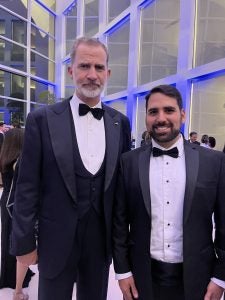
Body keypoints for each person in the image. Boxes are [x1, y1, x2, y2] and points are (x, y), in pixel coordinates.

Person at [11, 37, 131, 300]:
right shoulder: (41, 120)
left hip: (100, 245)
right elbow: (27, 186)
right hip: (54, 241)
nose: (92, 75)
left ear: (108, 73)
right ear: (71, 70)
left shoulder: (120, 123)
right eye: (84, 66)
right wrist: (24, 243)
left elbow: (121, 191)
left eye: (99, 68)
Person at [113, 85, 225, 300]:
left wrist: (220, 276)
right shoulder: (128, 162)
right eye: (153, 112)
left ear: (182, 114)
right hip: (142, 276)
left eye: (169, 110)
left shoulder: (214, 161)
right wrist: (123, 271)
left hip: (199, 278)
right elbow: (119, 222)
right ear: (146, 117)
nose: (161, 118)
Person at [0, 128, 34, 300]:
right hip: (14, 204)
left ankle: (8, 276)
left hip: (5, 200)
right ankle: (17, 282)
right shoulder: (20, 161)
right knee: (18, 240)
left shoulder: (5, 158)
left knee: (7, 239)